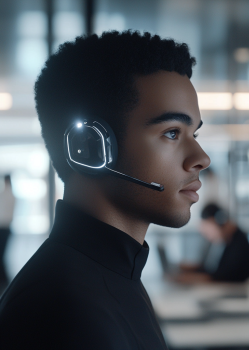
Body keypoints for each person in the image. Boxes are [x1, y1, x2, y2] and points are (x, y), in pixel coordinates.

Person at [0, 31, 210, 349]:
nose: (201, 158)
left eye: (193, 133)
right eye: (171, 132)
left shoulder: (112, 275)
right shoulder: (62, 311)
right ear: (90, 148)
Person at [175, 203, 249, 284]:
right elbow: (211, 269)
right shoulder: (222, 240)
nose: (207, 235)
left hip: (236, 289)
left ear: (218, 221)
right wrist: (189, 268)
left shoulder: (238, 243)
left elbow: (225, 276)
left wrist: (191, 278)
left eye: (208, 229)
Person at [0, 175, 15, 292]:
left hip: (3, 228)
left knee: (2, 254)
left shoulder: (5, 195)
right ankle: (4, 280)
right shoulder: (11, 195)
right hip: (7, 228)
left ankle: (4, 280)